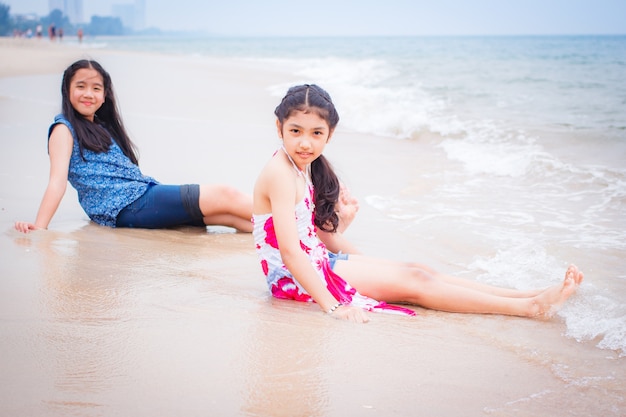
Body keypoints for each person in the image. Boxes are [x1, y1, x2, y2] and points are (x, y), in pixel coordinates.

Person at [252, 84, 584, 323]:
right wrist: (333, 307)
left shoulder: (302, 165)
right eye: (295, 131)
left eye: (316, 133)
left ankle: (525, 294)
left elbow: (308, 235)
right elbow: (290, 252)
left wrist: (369, 261)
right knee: (417, 283)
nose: (305, 142)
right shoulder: (280, 173)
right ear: (279, 127)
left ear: (330, 134)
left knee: (418, 269)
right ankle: (530, 308)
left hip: (318, 260)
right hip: (294, 279)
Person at [14, 59, 254, 234]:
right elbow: (57, 182)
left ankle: (287, 239)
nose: (89, 94)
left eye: (96, 88)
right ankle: (291, 221)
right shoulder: (63, 129)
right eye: (81, 86)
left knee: (230, 217)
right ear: (67, 90)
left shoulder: (101, 126)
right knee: (226, 194)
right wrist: (40, 226)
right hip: (125, 205)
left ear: (105, 94)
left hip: (139, 196)